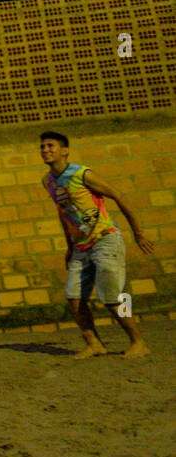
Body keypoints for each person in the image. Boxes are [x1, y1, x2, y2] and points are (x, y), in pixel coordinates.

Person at [40, 131, 154, 359]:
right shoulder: (48, 181)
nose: (45, 150)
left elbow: (117, 194)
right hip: (80, 246)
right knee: (73, 297)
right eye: (42, 147)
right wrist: (69, 247)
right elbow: (64, 213)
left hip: (105, 239)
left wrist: (138, 233)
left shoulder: (82, 174)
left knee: (111, 296)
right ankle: (94, 344)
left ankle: (138, 342)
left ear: (64, 151)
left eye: (50, 146)